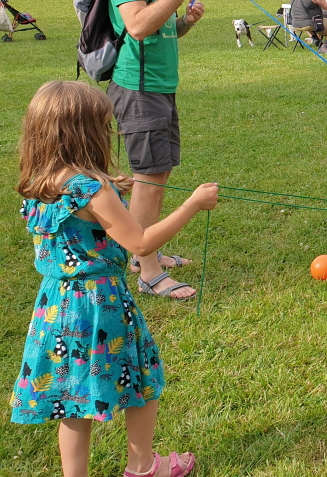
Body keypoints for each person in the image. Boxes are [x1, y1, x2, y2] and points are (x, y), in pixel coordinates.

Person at [10, 80, 218, 477]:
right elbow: (140, 243)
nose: (110, 132)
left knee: (73, 398)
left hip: (56, 305)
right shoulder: (93, 189)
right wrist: (192, 204)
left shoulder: (39, 185)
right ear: (85, 132)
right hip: (101, 304)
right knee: (142, 379)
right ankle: (143, 468)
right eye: (105, 125)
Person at [107, 0, 214, 300]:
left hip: (161, 86)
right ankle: (148, 272)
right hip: (138, 87)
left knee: (159, 173)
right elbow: (136, 26)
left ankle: (143, 252)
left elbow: (160, 28)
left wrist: (185, 21)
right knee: (149, 178)